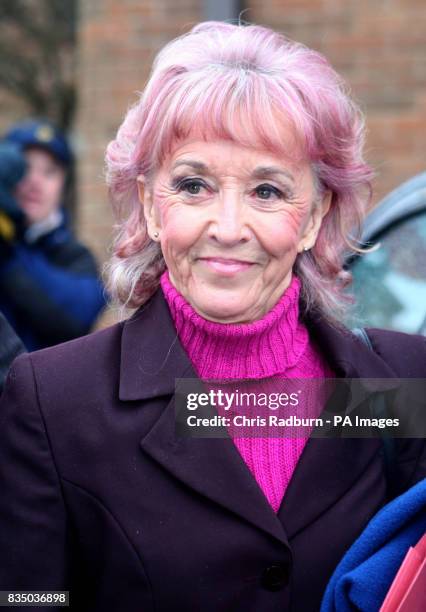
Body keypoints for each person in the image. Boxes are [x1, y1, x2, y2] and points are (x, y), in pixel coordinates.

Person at [0, 21, 424, 612]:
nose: (227, 228)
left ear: (313, 216)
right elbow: (28, 599)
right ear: (149, 204)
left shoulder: (400, 383)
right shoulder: (55, 401)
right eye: (194, 185)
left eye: (268, 192)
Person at [0, 119, 106, 350]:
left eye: (49, 172)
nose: (35, 182)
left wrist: (7, 251)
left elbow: (74, 317)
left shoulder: (76, 257)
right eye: (25, 168)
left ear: (62, 186)